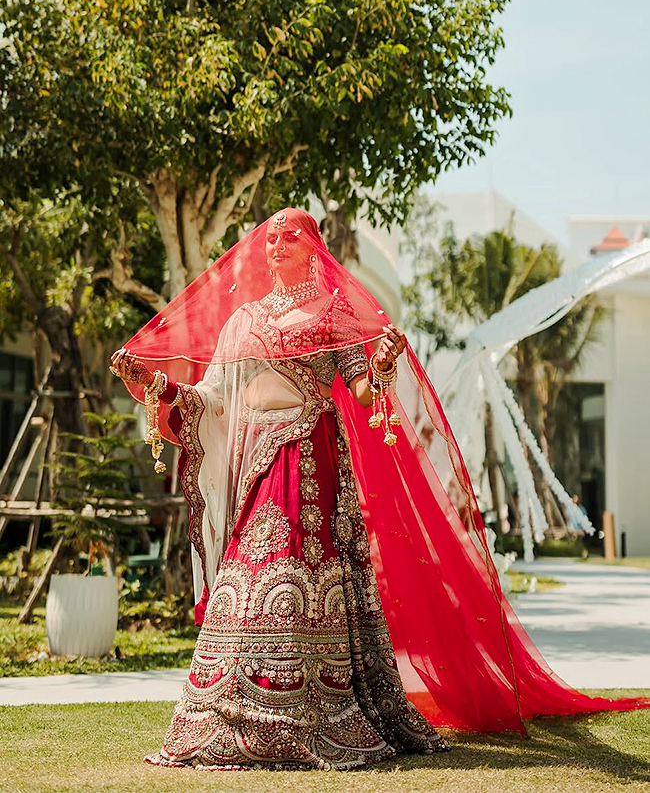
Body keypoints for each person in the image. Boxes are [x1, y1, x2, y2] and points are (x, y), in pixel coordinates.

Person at [111, 208, 648, 771]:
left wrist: (384, 363)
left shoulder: (333, 312)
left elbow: (363, 395)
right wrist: (158, 386)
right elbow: (211, 399)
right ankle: (225, 716)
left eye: (290, 235)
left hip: (310, 461)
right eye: (270, 237)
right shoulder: (242, 322)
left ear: (313, 246)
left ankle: (310, 712)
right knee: (245, 581)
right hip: (255, 467)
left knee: (295, 579)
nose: (276, 245)